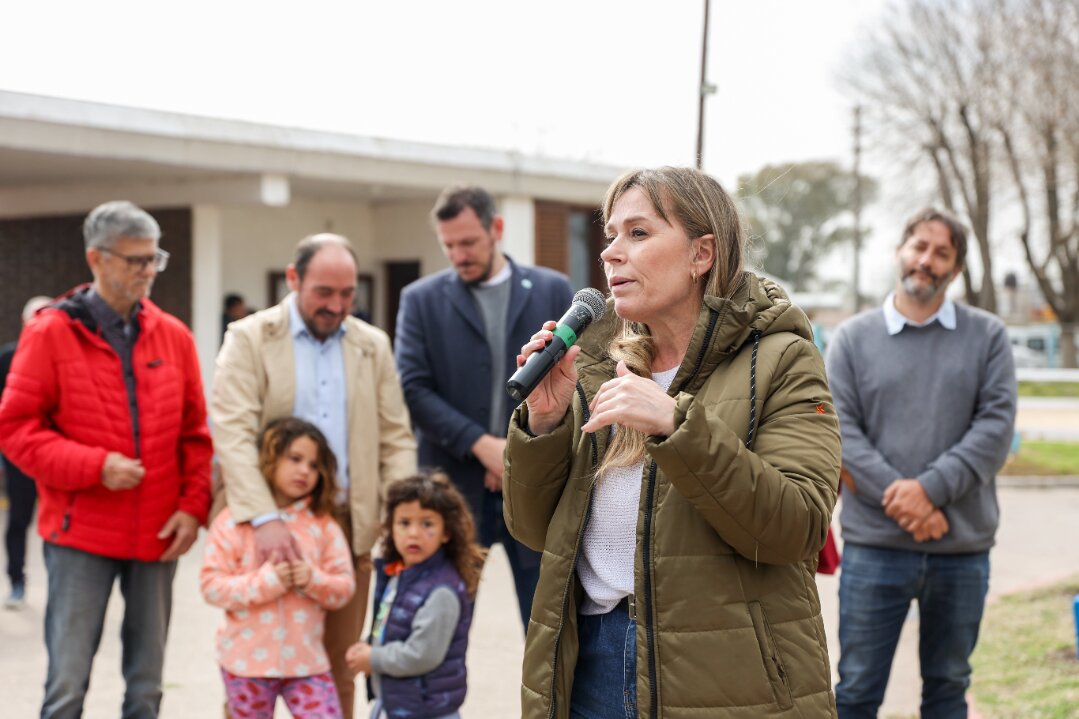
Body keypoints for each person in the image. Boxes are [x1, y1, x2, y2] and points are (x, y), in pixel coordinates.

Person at [503, 166, 842, 718]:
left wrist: (676, 426)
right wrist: (544, 424)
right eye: (610, 235)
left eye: (638, 233)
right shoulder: (594, 365)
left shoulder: (782, 358)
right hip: (590, 668)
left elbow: (797, 527)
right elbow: (533, 530)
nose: (611, 252)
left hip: (727, 676)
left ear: (701, 253)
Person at [0, 200, 213, 718]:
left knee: (146, 690)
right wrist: (95, 467)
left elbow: (196, 435)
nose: (149, 271)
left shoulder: (174, 336)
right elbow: (16, 428)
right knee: (67, 686)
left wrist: (192, 508)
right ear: (96, 258)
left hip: (158, 532)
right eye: (136, 260)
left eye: (154, 258)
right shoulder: (49, 333)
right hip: (80, 534)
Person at [211, 232, 417, 718]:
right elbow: (232, 433)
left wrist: (399, 516)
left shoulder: (372, 345)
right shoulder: (248, 337)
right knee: (253, 666)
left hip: (348, 524)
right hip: (263, 524)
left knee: (339, 665)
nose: (337, 306)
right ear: (293, 278)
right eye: (324, 292)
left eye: (347, 294)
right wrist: (264, 519)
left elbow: (396, 438)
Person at [826, 207, 1017, 719]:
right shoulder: (852, 339)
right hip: (874, 548)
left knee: (948, 691)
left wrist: (929, 490)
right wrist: (906, 500)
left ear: (956, 269)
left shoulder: (988, 336)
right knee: (856, 692)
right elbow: (840, 431)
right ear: (900, 252)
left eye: (942, 253)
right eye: (919, 247)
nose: (927, 260)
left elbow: (995, 428)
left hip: (960, 549)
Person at [394, 185, 573, 629]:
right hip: (452, 488)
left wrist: (514, 451)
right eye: (449, 245)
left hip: (535, 485)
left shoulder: (552, 289)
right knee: (439, 630)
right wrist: (482, 446)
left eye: (468, 242)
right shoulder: (420, 299)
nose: (459, 255)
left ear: (496, 228)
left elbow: (576, 380)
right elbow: (414, 389)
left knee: (546, 627)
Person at [201, 417, 355, 719]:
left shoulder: (324, 526)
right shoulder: (233, 522)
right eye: (295, 459)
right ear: (270, 459)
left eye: (314, 465)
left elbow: (344, 588)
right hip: (245, 664)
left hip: (307, 665)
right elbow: (211, 587)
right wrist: (266, 582)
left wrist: (313, 580)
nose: (304, 471)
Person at [345, 472, 483, 719]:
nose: (414, 533)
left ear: (446, 532)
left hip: (426, 710)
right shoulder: (398, 574)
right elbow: (388, 626)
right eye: (404, 523)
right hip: (397, 703)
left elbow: (422, 654)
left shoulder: (441, 592)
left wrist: (374, 658)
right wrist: (369, 645)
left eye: (427, 524)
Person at [0, 294, 52, 609]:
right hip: (19, 459)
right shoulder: (8, 357)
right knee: (18, 520)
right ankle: (17, 582)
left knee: (58, 526)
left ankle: (59, 586)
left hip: (55, 460)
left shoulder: (64, 361)